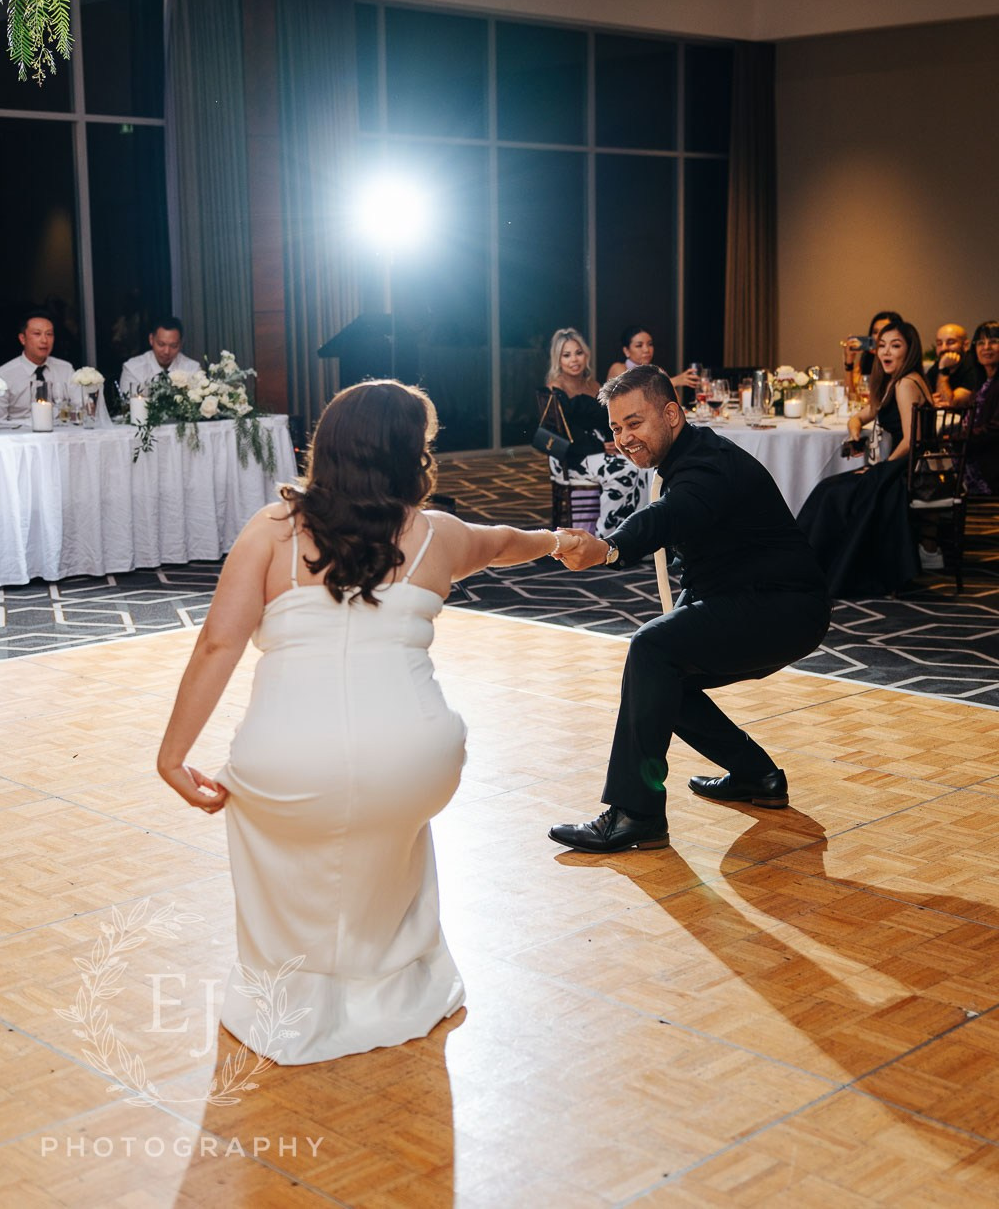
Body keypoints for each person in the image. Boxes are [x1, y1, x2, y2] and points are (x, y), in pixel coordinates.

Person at [156, 379, 577, 1063]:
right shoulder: (438, 535)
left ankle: (292, 998)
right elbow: (506, 541)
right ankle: (393, 985)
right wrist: (561, 540)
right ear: (409, 455)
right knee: (386, 831)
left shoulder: (271, 531)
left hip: (288, 759)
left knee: (285, 828)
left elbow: (218, 644)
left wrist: (172, 755)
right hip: (416, 756)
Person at [546, 365, 830, 854]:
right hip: (749, 597)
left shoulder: (707, 465)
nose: (625, 438)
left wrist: (609, 547)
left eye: (635, 423)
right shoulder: (691, 456)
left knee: (651, 650)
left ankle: (636, 814)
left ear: (672, 415)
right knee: (658, 674)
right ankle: (756, 775)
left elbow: (670, 515)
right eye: (616, 428)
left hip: (783, 606)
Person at [799, 319, 932, 596]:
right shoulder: (895, 382)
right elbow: (859, 416)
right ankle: (813, 566)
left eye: (895, 346)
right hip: (900, 467)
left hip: (908, 471)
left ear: (909, 350)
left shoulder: (906, 384)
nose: (886, 352)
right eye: (882, 345)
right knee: (830, 488)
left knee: (832, 492)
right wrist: (854, 433)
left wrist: (879, 471)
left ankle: (819, 569)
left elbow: (912, 440)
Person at [545, 327, 643, 537]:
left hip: (601, 450)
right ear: (558, 359)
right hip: (575, 457)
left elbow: (607, 420)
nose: (574, 360)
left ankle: (635, 534)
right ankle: (605, 537)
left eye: (578, 353)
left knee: (642, 467)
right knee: (624, 472)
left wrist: (616, 443)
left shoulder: (593, 384)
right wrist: (599, 446)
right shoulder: (555, 387)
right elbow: (563, 433)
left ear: (586, 355)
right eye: (566, 355)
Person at [0, 310, 77, 421]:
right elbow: (0, 422)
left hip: (60, 430)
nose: (44, 340)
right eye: (37, 334)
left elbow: (80, 407)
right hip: (20, 431)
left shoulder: (65, 369)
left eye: (49, 334)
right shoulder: (4, 375)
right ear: (23, 339)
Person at [119, 315, 200, 393]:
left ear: (181, 344)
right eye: (161, 344)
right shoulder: (133, 369)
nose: (166, 351)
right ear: (151, 339)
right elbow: (129, 401)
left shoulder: (192, 369)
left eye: (173, 346)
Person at [605, 323, 698, 391]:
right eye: (639, 345)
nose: (646, 350)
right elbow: (634, 394)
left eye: (650, 344)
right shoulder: (618, 368)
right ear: (626, 351)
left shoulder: (656, 372)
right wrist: (672, 382)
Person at [966, 319, 999, 496]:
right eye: (980, 343)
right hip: (978, 453)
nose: (986, 347)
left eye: (993, 341)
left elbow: (995, 429)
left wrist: (960, 438)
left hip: (991, 462)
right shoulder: (982, 382)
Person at [841, 309, 904, 389]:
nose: (877, 337)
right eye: (875, 332)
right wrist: (849, 363)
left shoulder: (898, 363)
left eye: (883, 331)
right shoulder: (866, 361)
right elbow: (851, 394)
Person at [926, 322, 978, 410]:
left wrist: (943, 371)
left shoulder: (974, 365)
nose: (944, 348)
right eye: (939, 343)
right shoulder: (936, 367)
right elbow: (922, 397)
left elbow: (950, 404)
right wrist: (930, 401)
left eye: (950, 342)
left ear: (965, 345)